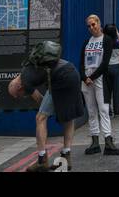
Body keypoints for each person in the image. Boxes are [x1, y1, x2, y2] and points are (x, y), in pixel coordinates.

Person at [9, 40, 84, 172]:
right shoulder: (27, 68)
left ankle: (42, 160)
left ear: (19, 87)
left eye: (19, 95)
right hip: (72, 72)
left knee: (40, 118)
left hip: (61, 77)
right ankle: (66, 156)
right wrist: (57, 106)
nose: (22, 96)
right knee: (68, 118)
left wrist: (52, 108)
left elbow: (40, 100)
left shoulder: (26, 82)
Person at [79, 14, 119, 156]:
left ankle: (108, 141)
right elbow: (81, 62)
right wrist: (84, 77)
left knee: (103, 109)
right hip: (87, 80)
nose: (91, 28)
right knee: (91, 111)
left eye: (93, 24)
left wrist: (92, 77)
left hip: (100, 79)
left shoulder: (106, 40)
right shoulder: (86, 42)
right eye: (89, 26)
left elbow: (105, 63)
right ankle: (95, 141)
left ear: (99, 23)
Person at [103, 22, 119, 117]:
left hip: (106, 67)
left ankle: (108, 109)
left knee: (107, 90)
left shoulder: (103, 42)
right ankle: (117, 111)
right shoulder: (118, 42)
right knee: (117, 90)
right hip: (117, 67)